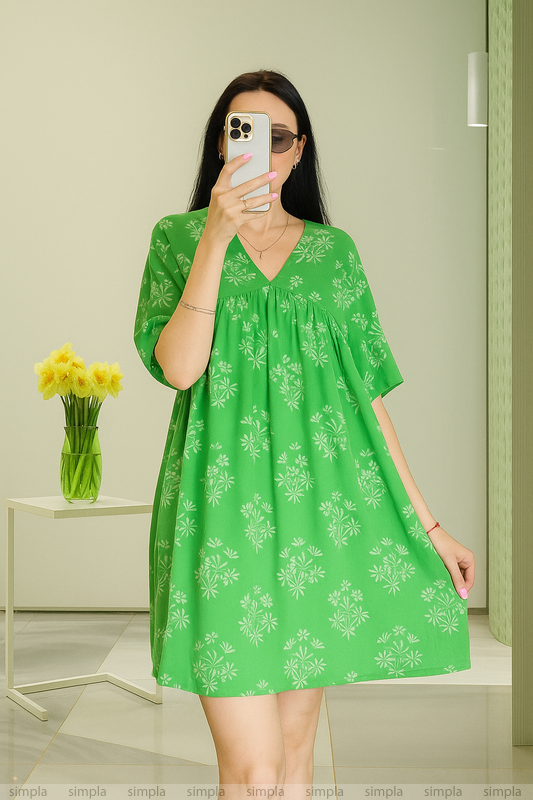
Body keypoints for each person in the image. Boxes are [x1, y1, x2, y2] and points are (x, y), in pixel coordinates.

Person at [134, 69, 475, 798]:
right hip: (219, 517)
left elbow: (367, 404)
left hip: (320, 518)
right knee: (253, 774)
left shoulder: (333, 253)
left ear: (298, 150)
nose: (260, 149)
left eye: (277, 136)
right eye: (242, 132)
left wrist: (429, 524)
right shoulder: (177, 239)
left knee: (293, 763)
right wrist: (215, 238)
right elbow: (180, 369)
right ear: (221, 145)